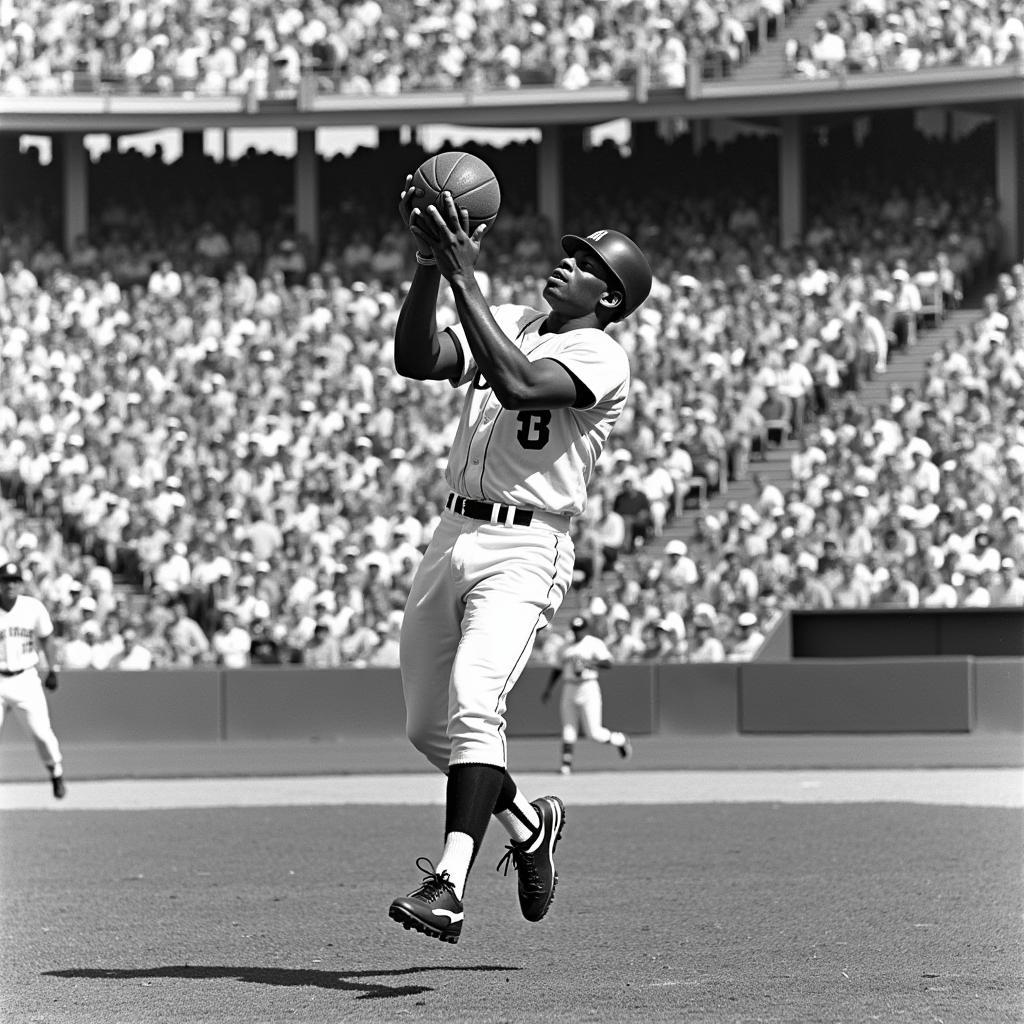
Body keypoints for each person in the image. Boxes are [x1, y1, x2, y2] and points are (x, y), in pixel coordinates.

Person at [386, 176, 652, 944]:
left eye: (586, 264)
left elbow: (518, 382)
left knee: (475, 701)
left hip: (525, 544)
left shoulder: (602, 353)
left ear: (609, 298)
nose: (566, 263)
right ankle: (530, 825)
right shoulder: (515, 319)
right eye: (569, 254)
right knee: (425, 728)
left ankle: (449, 885)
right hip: (452, 533)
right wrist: (431, 266)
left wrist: (465, 275)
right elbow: (416, 357)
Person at [0, 562, 66, 799]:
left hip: (25, 678)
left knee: (41, 733)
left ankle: (55, 771)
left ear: (21, 583)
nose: (10, 585)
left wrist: (53, 668)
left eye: (15, 580)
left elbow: (47, 637)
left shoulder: (32, 607)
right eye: (6, 580)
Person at [541, 615, 632, 774]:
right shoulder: (565, 647)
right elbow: (557, 669)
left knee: (594, 733)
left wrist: (589, 663)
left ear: (585, 629)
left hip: (588, 686)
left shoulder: (593, 643)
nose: (577, 633)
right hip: (569, 686)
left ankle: (620, 739)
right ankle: (566, 765)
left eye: (580, 629)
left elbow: (608, 662)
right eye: (575, 630)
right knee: (568, 728)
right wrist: (548, 689)